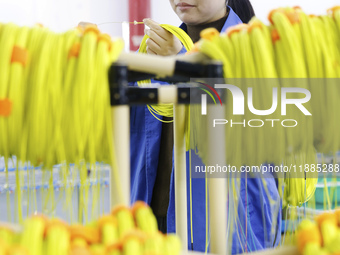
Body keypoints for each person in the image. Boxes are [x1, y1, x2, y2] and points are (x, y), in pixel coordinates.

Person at [130, 0, 282, 253]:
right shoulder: (149, 58)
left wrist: (180, 64)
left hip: (232, 231)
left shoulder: (260, 51)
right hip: (153, 234)